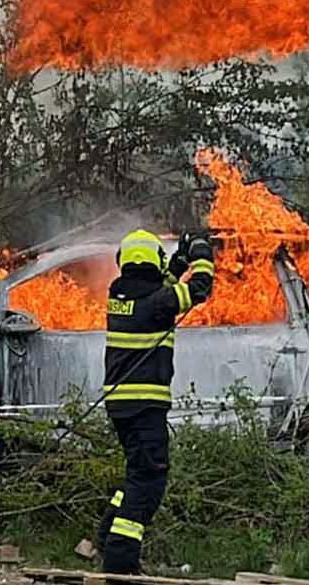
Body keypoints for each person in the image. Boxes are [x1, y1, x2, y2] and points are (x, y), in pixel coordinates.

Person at [93, 229, 215, 574]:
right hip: (144, 405)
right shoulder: (157, 303)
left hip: (122, 405)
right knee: (149, 479)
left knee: (136, 473)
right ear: (153, 262)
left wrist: (179, 259)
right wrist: (202, 254)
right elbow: (199, 289)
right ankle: (120, 559)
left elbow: (160, 286)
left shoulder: (120, 294)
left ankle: (105, 537)